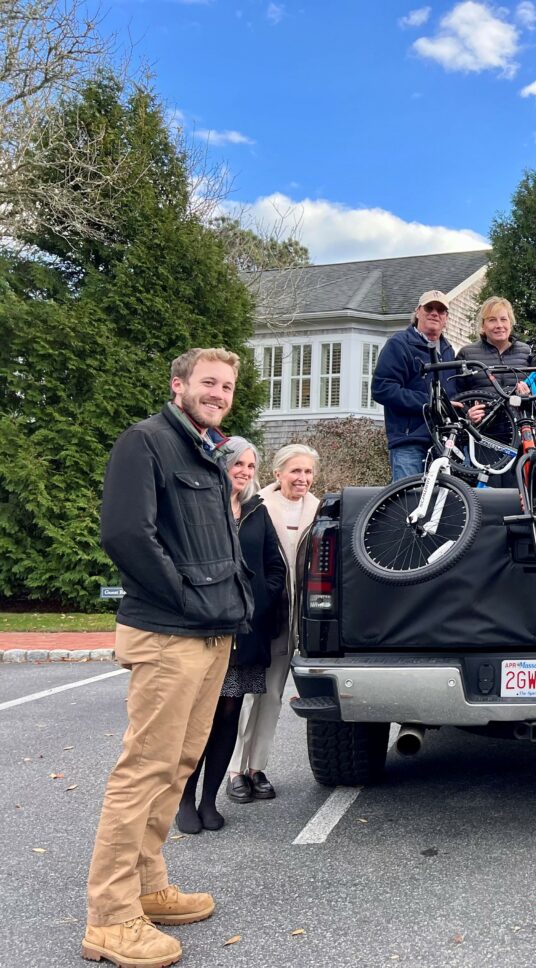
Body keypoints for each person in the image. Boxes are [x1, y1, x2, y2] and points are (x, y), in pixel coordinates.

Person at [84, 348, 251, 966]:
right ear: (178, 385)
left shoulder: (206, 450)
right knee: (144, 770)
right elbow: (126, 534)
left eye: (227, 385)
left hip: (210, 635)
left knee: (178, 764)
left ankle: (148, 884)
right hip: (169, 635)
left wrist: (233, 605)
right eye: (207, 382)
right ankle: (109, 915)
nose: (218, 392)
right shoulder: (146, 441)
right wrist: (186, 601)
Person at [176, 437, 286, 835]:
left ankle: (209, 801)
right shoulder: (201, 508)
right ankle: (184, 799)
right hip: (207, 633)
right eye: (236, 463)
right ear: (219, 465)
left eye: (250, 466)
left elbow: (275, 567)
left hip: (247, 633)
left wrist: (257, 600)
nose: (243, 471)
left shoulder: (258, 512)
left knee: (228, 716)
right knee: (199, 720)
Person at [226, 443, 320, 804]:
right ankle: (235, 769)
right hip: (263, 615)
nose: (303, 478)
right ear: (278, 473)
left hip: (298, 620)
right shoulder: (259, 506)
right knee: (245, 694)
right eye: (295, 471)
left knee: (273, 696)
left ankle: (256, 767)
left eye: (308, 472)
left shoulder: (320, 508)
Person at [372, 289, 457, 481]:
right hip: (409, 442)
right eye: (429, 308)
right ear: (418, 311)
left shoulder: (448, 351)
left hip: (442, 445)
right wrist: (430, 403)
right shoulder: (399, 344)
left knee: (441, 506)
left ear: (446, 319)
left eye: (441, 310)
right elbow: (382, 389)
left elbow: (453, 395)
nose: (434, 313)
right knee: (408, 504)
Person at [453, 295, 533, 418]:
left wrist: (529, 397)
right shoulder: (466, 354)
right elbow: (455, 397)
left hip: (522, 429)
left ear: (510, 323)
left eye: (503, 319)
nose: (499, 325)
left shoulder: (527, 352)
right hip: (483, 431)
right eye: (492, 320)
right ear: (483, 326)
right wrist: (467, 414)